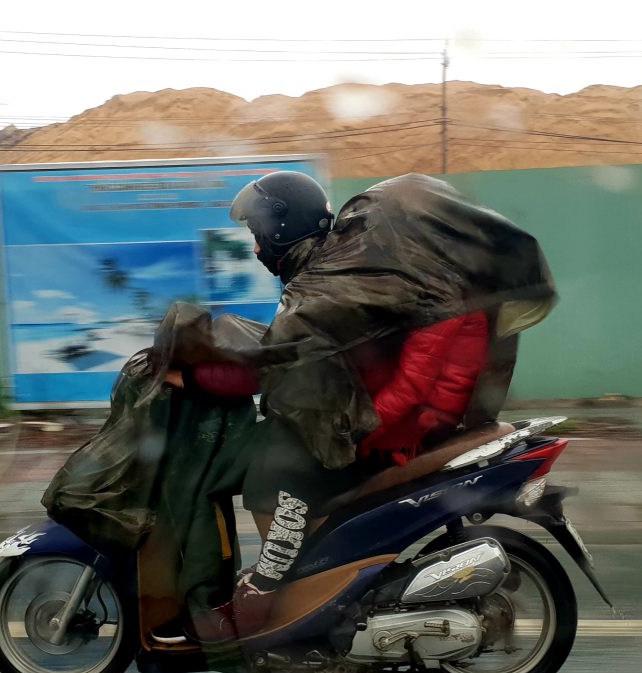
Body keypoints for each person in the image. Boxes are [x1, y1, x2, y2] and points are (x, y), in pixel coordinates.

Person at [152, 171, 503, 644]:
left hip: (405, 431)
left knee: (282, 464)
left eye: (258, 236)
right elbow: (306, 349)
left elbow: (414, 386)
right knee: (265, 457)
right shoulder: (388, 278)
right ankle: (299, 582)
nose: (256, 250)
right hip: (391, 418)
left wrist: (354, 429)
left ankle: (269, 590)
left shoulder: (431, 292)